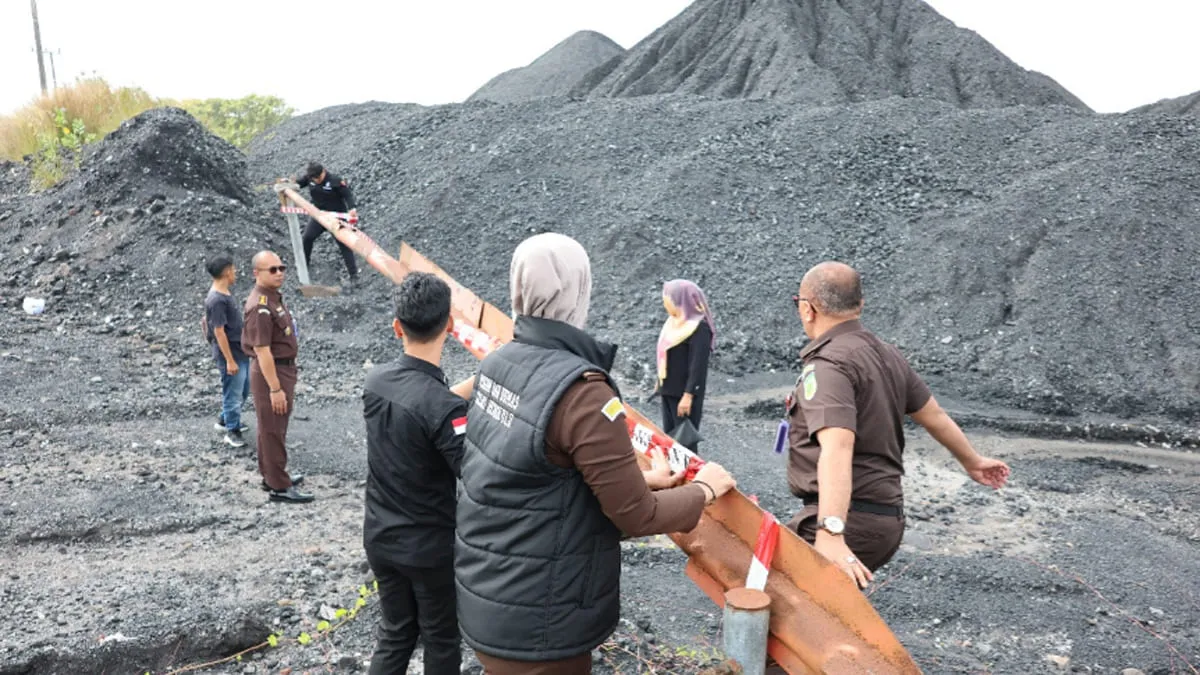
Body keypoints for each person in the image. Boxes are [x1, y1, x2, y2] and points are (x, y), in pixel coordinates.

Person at [455, 232, 737, 675]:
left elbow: (534, 476)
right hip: (543, 624)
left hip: (489, 599)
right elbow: (635, 516)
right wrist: (704, 490)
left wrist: (638, 479)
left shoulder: (496, 363)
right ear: (578, 291)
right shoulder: (583, 391)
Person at [785, 261, 1010, 588]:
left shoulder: (829, 366)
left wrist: (831, 533)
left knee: (768, 598)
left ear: (807, 309)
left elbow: (838, 447)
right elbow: (934, 415)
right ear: (860, 305)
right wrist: (972, 461)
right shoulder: (888, 355)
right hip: (885, 518)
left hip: (850, 522)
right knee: (814, 619)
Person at [361, 272, 476, 675]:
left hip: (380, 537)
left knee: (395, 634)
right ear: (449, 325)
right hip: (429, 548)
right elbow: (473, 475)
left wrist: (474, 383)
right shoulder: (444, 410)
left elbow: (423, 400)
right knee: (442, 640)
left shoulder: (376, 382)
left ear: (397, 327)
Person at [241, 250, 313, 504]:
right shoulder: (259, 307)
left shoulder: (272, 298)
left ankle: (272, 475)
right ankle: (279, 487)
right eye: (272, 269)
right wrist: (275, 388)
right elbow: (261, 350)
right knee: (273, 428)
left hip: (282, 368)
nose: (279, 273)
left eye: (281, 268)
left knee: (272, 427)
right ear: (256, 273)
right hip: (273, 371)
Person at [655, 279, 715, 452]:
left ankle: (691, 477)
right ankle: (675, 476)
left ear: (680, 301)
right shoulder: (673, 323)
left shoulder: (699, 328)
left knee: (685, 441)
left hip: (684, 395)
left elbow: (698, 367)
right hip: (668, 389)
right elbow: (666, 354)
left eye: (668, 298)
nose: (665, 302)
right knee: (670, 437)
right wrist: (660, 379)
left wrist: (688, 395)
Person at [203, 253, 250, 448]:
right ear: (227, 272)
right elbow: (219, 331)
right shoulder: (217, 300)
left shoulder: (223, 294)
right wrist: (229, 360)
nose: (236, 272)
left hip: (240, 350)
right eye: (233, 269)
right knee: (233, 392)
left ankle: (225, 420)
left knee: (243, 389)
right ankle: (232, 431)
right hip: (231, 353)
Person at [294, 162, 360, 285]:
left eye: (318, 178)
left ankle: (354, 276)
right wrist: (288, 183)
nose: (316, 180)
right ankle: (305, 264)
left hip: (337, 218)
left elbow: (348, 195)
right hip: (319, 216)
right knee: (307, 238)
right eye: (314, 179)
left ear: (323, 172)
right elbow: (299, 183)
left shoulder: (335, 181)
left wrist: (352, 208)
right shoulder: (310, 177)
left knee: (344, 244)